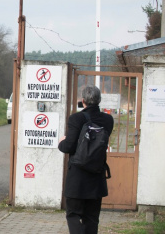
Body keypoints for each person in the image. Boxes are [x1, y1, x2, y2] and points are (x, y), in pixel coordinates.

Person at [58, 85, 114, 234]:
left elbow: (68, 146)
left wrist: (61, 141)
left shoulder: (77, 118)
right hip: (97, 176)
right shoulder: (108, 120)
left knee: (73, 214)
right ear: (99, 100)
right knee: (92, 218)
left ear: (83, 101)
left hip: (78, 178)